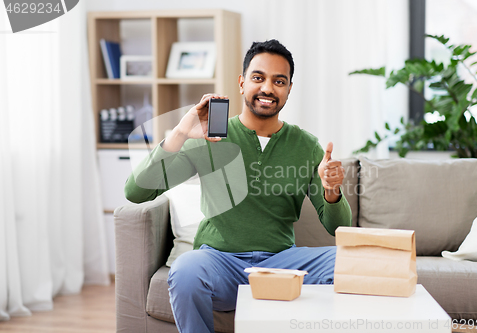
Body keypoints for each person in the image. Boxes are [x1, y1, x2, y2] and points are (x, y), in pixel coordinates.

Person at [124, 39, 352, 333]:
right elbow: (135, 192)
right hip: (219, 260)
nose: (268, 88)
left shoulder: (306, 145)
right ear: (243, 83)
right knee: (186, 270)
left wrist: (332, 190)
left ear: (289, 90)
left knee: (349, 260)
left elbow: (338, 227)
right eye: (259, 78)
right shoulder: (210, 137)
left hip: (280, 263)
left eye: (278, 81)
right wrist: (181, 132)